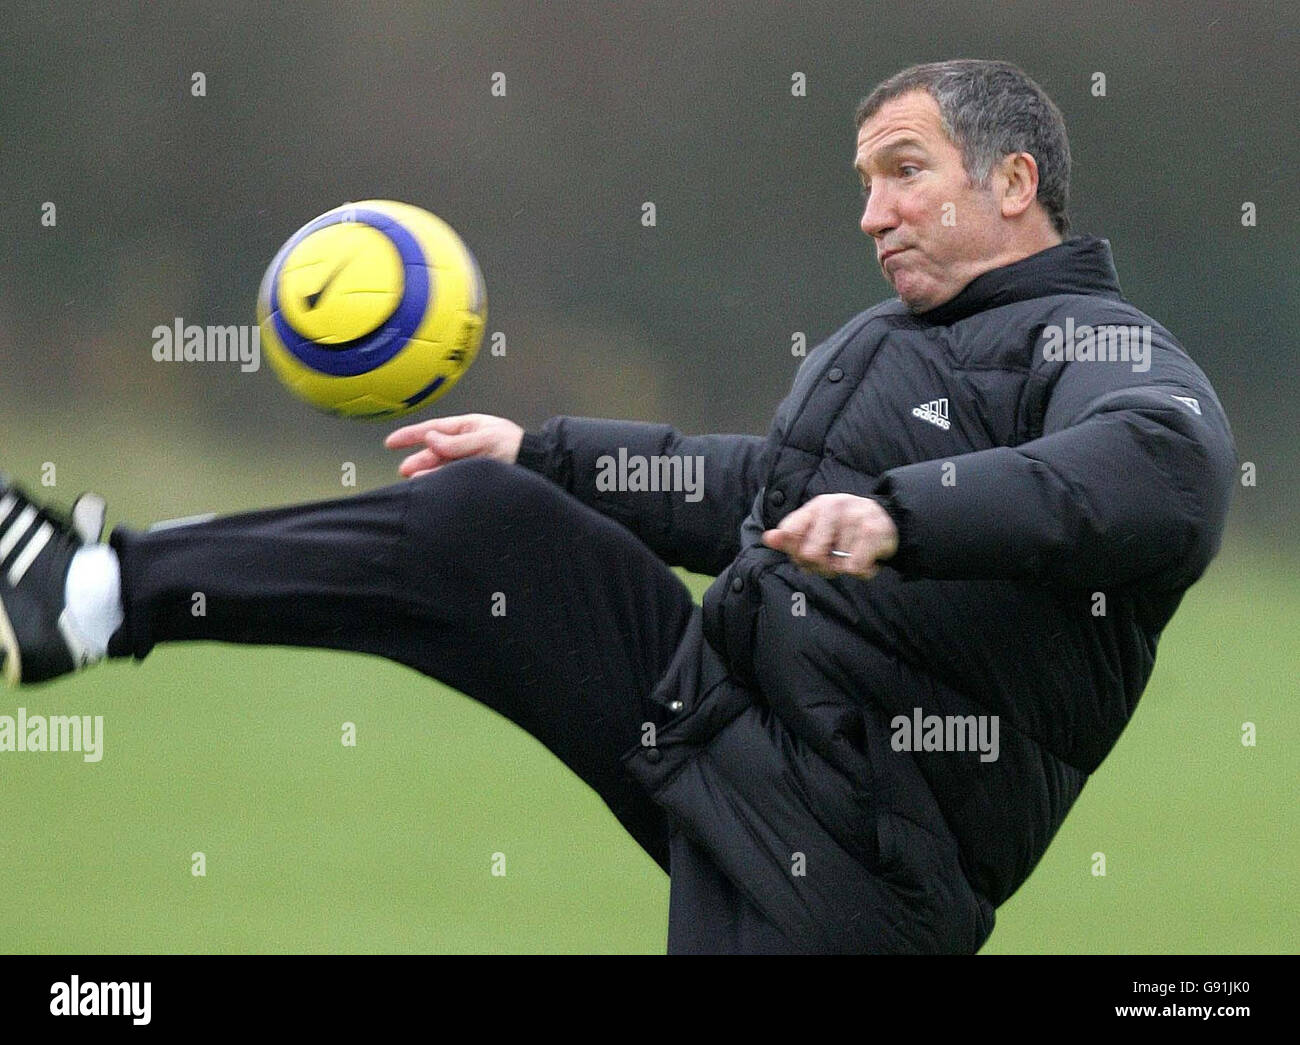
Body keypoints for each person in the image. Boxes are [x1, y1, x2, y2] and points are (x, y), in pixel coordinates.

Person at [0, 59, 1235, 953]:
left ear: (1013, 180)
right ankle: (90, 592)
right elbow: (764, 493)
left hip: (859, 859)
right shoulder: (882, 339)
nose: (871, 214)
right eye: (863, 182)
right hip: (721, 718)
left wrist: (904, 514)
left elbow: (1159, 472)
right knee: (478, 516)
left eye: (904, 174)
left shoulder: (1095, 341)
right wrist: (544, 452)